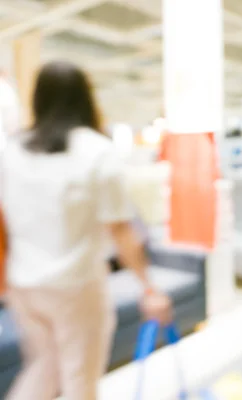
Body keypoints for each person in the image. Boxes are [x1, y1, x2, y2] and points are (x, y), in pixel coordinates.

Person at [2, 61, 172, 400]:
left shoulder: (11, 150)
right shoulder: (97, 151)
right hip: (76, 286)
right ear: (85, 98)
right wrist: (148, 287)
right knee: (80, 377)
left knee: (44, 367)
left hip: (24, 286)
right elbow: (121, 231)